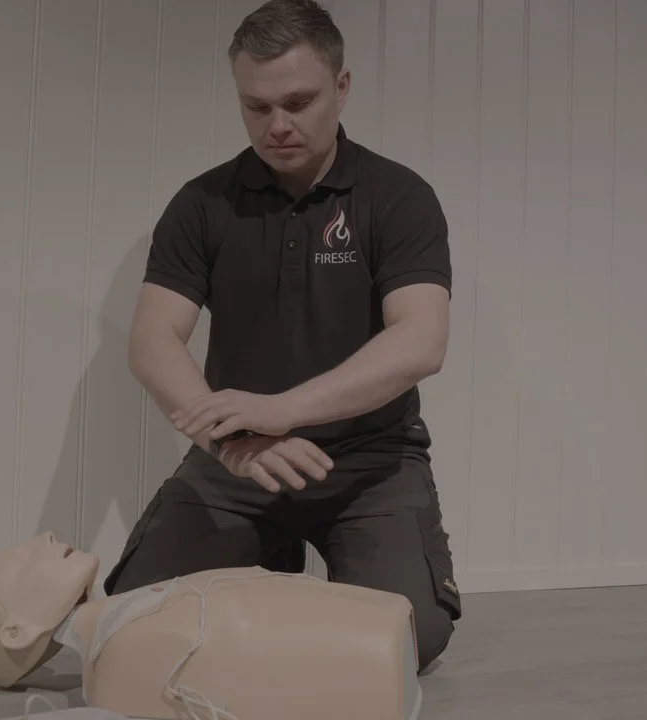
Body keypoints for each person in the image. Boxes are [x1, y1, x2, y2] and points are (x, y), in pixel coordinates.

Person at [102, 0, 460, 671]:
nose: (278, 125)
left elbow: (421, 341)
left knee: (409, 639)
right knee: (135, 623)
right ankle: (271, 582)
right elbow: (152, 340)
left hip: (371, 463)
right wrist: (231, 440)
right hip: (241, 459)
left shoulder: (398, 197)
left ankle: (269, 601)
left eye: (298, 102)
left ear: (342, 87)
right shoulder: (202, 204)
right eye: (256, 106)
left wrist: (284, 409)